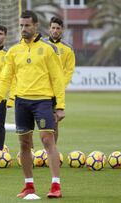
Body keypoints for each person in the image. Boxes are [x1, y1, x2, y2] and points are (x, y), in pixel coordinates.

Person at [0, 10, 65, 198]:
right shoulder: (14, 51)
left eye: (27, 25)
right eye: (21, 25)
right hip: (21, 102)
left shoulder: (48, 49)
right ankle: (28, 186)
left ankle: (56, 186)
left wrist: (60, 105)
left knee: (48, 140)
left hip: (43, 101)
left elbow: (57, 78)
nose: (23, 29)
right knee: (24, 144)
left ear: (36, 26)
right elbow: (5, 78)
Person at [46, 16, 76, 144]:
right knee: (32, 123)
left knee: (54, 122)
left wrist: (60, 86)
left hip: (55, 92)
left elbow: (69, 70)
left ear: (62, 30)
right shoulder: (41, 44)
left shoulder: (68, 49)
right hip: (39, 88)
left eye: (58, 28)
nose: (55, 30)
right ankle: (30, 151)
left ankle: (52, 151)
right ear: (49, 28)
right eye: (53, 28)